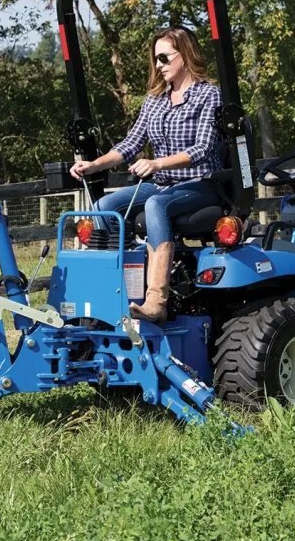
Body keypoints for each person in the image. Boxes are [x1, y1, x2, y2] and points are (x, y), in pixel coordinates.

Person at [70, 26, 224, 322]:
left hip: (200, 185)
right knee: (104, 208)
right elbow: (131, 144)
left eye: (165, 58)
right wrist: (94, 165)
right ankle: (114, 291)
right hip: (164, 185)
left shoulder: (208, 95)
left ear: (185, 55)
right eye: (156, 59)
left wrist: (157, 164)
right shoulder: (155, 101)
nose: (159, 65)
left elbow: (203, 148)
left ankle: (156, 300)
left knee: (155, 204)